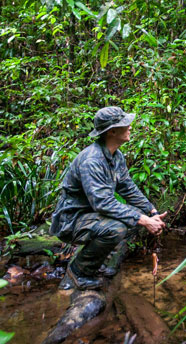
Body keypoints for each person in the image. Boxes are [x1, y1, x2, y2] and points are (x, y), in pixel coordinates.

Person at [50, 106, 167, 290]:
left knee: (135, 216)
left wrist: (152, 211)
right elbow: (102, 203)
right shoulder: (92, 161)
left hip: (91, 216)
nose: (130, 127)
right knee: (118, 227)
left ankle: (99, 262)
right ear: (112, 131)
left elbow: (127, 187)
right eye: (125, 124)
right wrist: (143, 220)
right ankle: (78, 272)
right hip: (72, 220)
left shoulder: (116, 155)